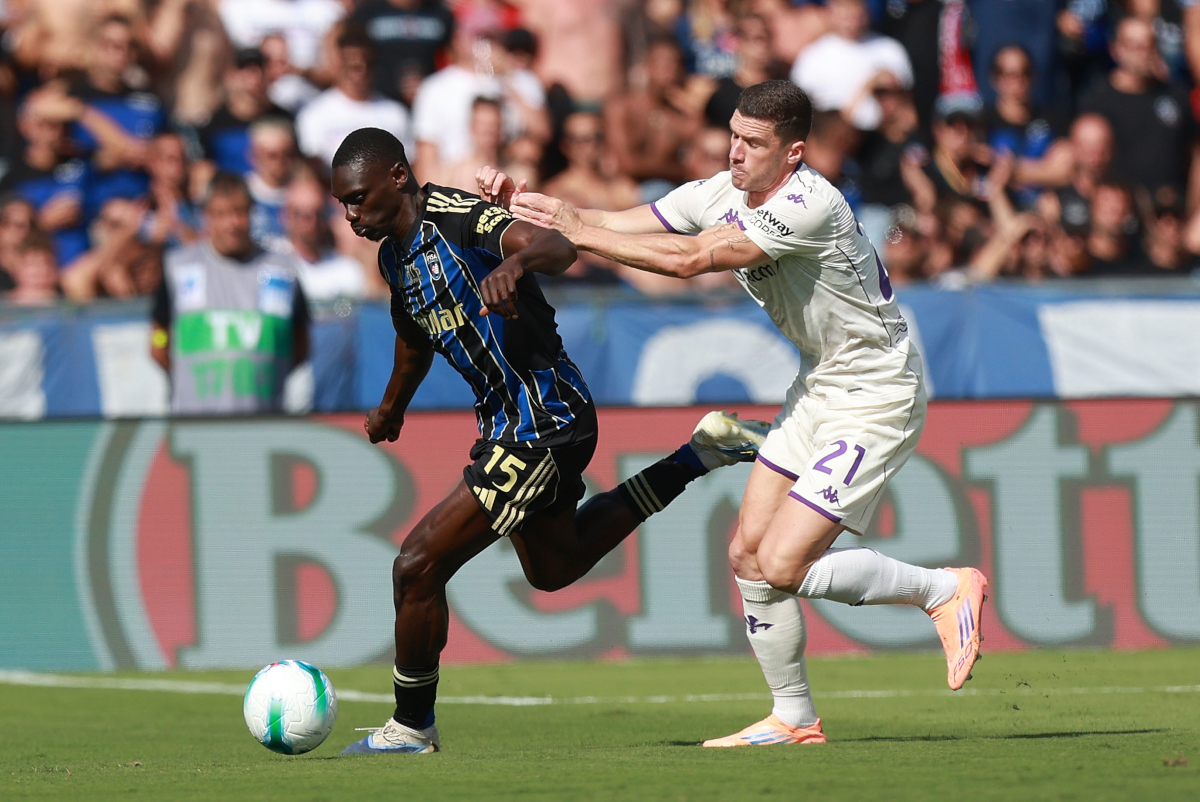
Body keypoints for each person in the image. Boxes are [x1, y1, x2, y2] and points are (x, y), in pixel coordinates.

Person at [486, 80, 988, 746]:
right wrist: (529, 207)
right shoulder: (720, 190)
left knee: (784, 563)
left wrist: (579, 231)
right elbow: (620, 223)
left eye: (755, 143)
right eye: (733, 135)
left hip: (876, 393)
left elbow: (693, 259)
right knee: (748, 555)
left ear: (794, 153)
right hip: (819, 386)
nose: (737, 152)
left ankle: (943, 588)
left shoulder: (810, 203)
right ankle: (794, 718)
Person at [330, 127, 765, 754]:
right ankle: (696, 455)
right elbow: (411, 330)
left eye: (359, 198)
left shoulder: (456, 216)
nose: (351, 215)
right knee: (555, 567)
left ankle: (411, 726)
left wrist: (515, 261)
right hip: (513, 422)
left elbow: (555, 245)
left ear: (398, 176)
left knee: (418, 564)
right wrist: (391, 407)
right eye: (343, 203)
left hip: (543, 418)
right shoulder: (394, 256)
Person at [151, 173, 310, 415]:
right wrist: (177, 363)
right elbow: (159, 337)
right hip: (195, 426)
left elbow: (301, 344)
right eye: (221, 214)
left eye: (239, 212)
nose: (232, 223)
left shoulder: (281, 270)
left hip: (264, 423)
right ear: (207, 217)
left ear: (252, 213)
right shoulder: (180, 267)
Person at [1079, 16, 1199, 203]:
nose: (1144, 53)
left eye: (1149, 45)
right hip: (1124, 213)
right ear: (1116, 49)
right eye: (1135, 46)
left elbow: (1195, 155)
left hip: (1172, 213)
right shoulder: (1098, 103)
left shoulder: (1177, 96)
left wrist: (1194, 207)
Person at [296, 25, 412, 171]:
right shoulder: (314, 114)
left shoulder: (395, 113)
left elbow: (408, 168)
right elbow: (313, 170)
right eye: (354, 66)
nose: (361, 73)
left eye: (368, 64)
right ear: (340, 65)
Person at [789, 0, 912, 131]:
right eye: (844, 7)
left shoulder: (890, 49)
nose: (852, 15)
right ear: (830, 11)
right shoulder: (811, 58)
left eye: (856, 6)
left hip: (884, 136)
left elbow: (907, 105)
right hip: (835, 140)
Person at [281, 173, 368, 301]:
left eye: (318, 213)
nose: (312, 223)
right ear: (285, 216)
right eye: (302, 215)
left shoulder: (347, 270)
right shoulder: (273, 264)